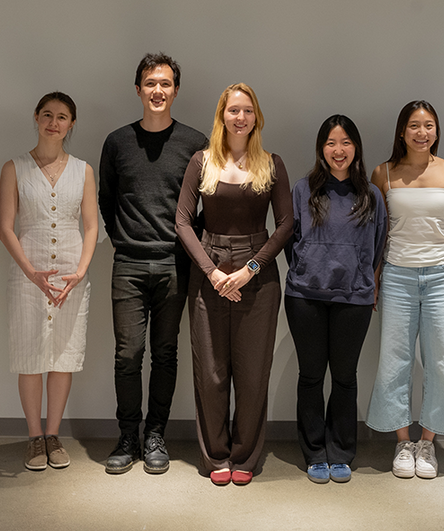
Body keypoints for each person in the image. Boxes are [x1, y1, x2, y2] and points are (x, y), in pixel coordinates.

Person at [176, 82, 293, 486]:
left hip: (257, 276)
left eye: (247, 111)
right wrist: (212, 271)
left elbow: (285, 225)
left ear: (256, 117)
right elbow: (182, 222)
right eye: (232, 110)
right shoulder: (201, 161)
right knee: (210, 371)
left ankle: (245, 455)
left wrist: (250, 270)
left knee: (252, 370)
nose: (239, 117)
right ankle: (217, 456)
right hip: (208, 270)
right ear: (221, 116)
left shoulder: (271, 163)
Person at [99, 53, 207, 474]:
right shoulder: (117, 142)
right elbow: (107, 201)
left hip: (175, 264)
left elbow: (202, 207)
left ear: (175, 90)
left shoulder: (195, 142)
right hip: (127, 263)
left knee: (164, 353)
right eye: (150, 83)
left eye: (165, 84)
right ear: (138, 90)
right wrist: (122, 239)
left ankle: (155, 433)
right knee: (127, 355)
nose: (157, 91)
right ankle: (128, 435)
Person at [365, 100, 444, 480]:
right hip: (397, 276)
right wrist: (375, 279)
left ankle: (427, 442)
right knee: (394, 362)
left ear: (437, 131)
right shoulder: (384, 174)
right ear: (402, 131)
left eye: (429, 125)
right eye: (414, 125)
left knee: (442, 362)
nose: (422, 132)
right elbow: (376, 233)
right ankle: (402, 442)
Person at [284, 115, 387, 484]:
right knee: (311, 376)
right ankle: (314, 452)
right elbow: (290, 241)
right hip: (305, 296)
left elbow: (378, 246)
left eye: (345, 142)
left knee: (345, 377)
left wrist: (362, 278)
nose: (338, 150)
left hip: (354, 298)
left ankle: (341, 450)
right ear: (321, 148)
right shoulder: (302, 190)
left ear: (355, 147)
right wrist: (307, 270)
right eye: (330, 143)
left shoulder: (371, 195)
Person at [0, 92, 98, 471]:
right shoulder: (15, 167)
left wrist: (81, 271)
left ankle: (54, 435)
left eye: (62, 117)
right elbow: (6, 228)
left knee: (62, 357)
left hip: (70, 276)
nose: (53, 122)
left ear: (72, 124)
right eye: (47, 115)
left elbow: (91, 226)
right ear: (36, 118)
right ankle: (33, 437)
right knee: (30, 357)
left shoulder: (84, 170)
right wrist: (29, 270)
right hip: (28, 275)